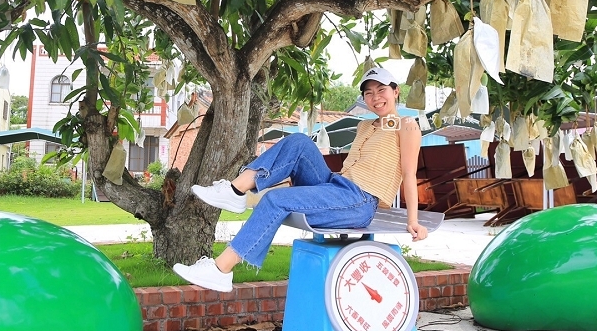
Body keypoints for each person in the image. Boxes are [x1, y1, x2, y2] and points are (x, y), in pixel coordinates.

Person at [173, 67, 426, 292]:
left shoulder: (406, 125)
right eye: (369, 93)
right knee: (300, 142)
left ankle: (221, 270)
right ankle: (236, 191)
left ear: (396, 92)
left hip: (358, 200)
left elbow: (408, 173)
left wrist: (412, 220)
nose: (375, 98)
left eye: (381, 90)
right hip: (336, 186)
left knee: (275, 200)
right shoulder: (364, 126)